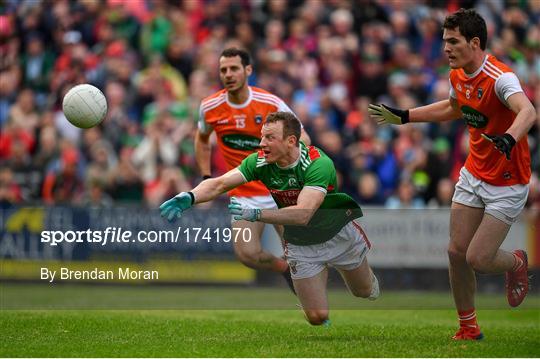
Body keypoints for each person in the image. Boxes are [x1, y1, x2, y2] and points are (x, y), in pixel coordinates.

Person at [368, 8, 536, 340]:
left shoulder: (500, 78)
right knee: (455, 252)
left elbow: (528, 111)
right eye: (444, 40)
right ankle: (468, 328)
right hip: (474, 174)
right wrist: (404, 116)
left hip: (507, 181)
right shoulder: (457, 74)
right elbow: (453, 107)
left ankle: (516, 263)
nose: (446, 47)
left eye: (453, 41)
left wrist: (509, 137)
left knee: (479, 258)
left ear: (475, 43)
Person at [161, 112, 379, 325]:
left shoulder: (318, 164)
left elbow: (303, 214)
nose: (262, 144)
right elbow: (220, 183)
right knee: (317, 317)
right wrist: (190, 196)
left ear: (291, 141)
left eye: (270, 138)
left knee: (364, 292)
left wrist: (256, 214)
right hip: (301, 242)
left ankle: (360, 278)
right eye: (262, 137)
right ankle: (313, 286)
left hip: (337, 233)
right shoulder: (260, 162)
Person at [195, 47, 310, 291]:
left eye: (234, 68)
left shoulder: (269, 103)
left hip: (280, 188)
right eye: (223, 69)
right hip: (244, 195)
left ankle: (313, 299)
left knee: (300, 255)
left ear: (248, 70)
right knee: (247, 254)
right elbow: (202, 139)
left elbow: (304, 139)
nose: (228, 74)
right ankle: (284, 270)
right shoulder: (209, 107)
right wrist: (206, 176)